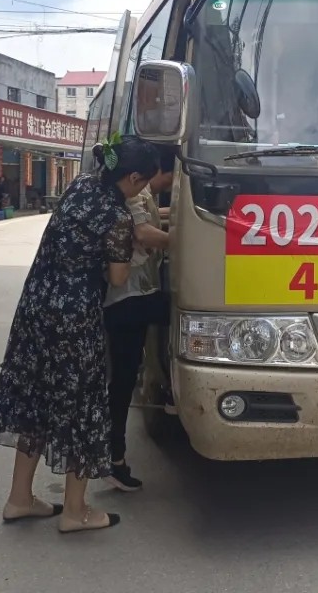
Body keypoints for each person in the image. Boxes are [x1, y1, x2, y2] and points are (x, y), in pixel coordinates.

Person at [0, 135, 161, 534]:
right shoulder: (116, 215)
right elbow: (118, 278)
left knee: (34, 397)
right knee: (81, 405)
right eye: (145, 182)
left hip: (35, 306)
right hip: (75, 318)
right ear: (133, 177)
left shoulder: (80, 185)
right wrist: (136, 253)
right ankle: (75, 511)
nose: (145, 189)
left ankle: (20, 498)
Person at [102, 145, 176, 491]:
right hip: (126, 298)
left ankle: (111, 455)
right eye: (170, 181)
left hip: (134, 294)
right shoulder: (131, 195)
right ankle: (112, 458)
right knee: (120, 381)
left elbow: (151, 219)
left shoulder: (127, 190)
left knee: (121, 378)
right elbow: (142, 232)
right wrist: (184, 242)